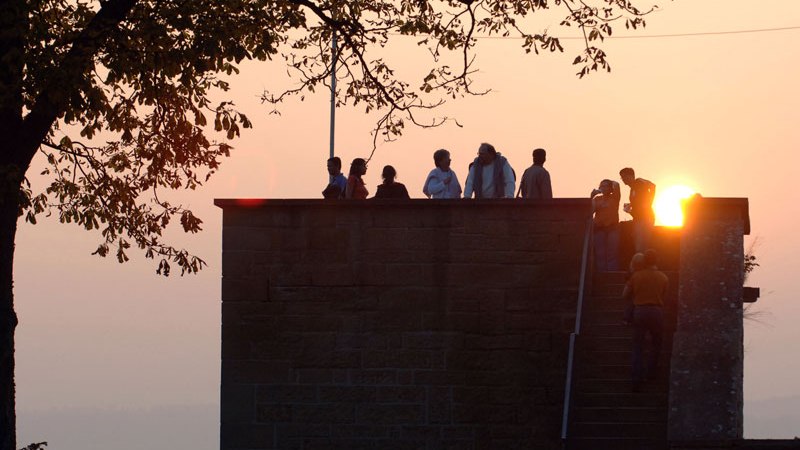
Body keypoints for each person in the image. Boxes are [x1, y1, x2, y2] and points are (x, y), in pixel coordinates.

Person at [622, 249, 668, 392]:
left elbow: (624, 295)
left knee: (638, 347)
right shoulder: (663, 277)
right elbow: (664, 295)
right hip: (656, 312)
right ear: (656, 261)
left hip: (640, 312)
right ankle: (652, 373)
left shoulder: (636, 276)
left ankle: (636, 378)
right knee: (656, 344)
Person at [619, 167, 656, 253]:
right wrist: (630, 205)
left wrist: (649, 203)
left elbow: (653, 186)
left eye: (624, 176)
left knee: (641, 247)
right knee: (638, 246)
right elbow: (639, 201)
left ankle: (642, 265)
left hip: (645, 218)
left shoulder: (639, 182)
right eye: (622, 177)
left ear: (631, 176)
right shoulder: (632, 189)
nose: (623, 179)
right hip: (638, 219)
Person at [591, 179, 621, 271]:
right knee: (600, 253)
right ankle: (602, 273)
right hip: (599, 229)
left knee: (612, 253)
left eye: (605, 186)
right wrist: (591, 197)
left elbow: (617, 184)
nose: (603, 188)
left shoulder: (615, 197)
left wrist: (611, 183)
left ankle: (611, 273)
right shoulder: (597, 199)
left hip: (612, 228)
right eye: (602, 186)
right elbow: (590, 211)